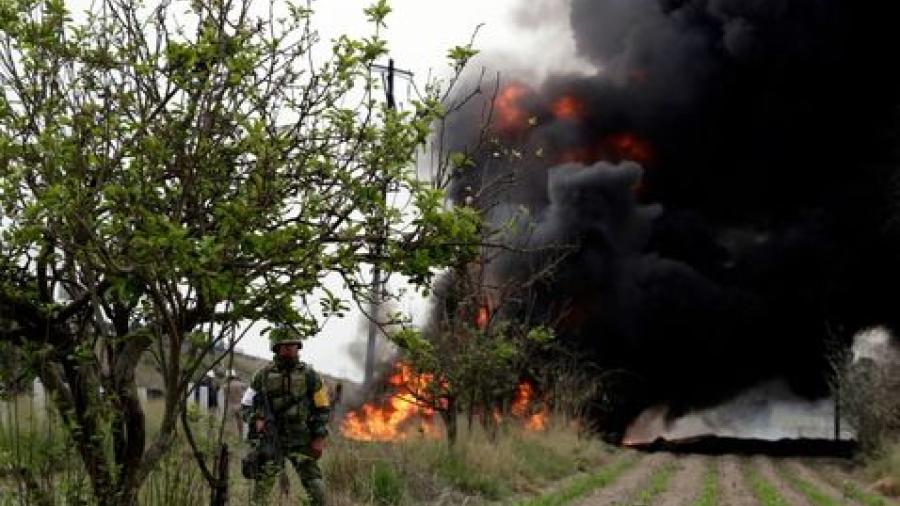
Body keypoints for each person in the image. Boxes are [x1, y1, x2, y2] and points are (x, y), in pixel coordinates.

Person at [240, 325, 331, 505]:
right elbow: (246, 405)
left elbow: (322, 408)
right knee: (261, 490)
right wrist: (255, 420)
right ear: (276, 347)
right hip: (271, 441)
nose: (289, 348)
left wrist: (319, 437)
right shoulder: (262, 376)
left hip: (301, 439)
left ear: (298, 346)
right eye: (284, 345)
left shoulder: (310, 376)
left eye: (293, 344)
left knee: (316, 489)